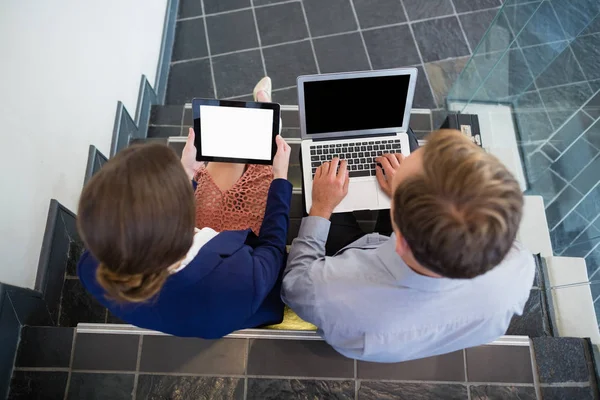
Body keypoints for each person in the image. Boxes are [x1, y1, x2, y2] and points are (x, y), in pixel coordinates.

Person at [282, 129, 535, 362]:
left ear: (399, 240)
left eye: (402, 183)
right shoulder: (517, 269)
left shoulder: (329, 292)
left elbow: (294, 284)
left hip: (348, 254)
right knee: (404, 136)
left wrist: (321, 207)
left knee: (316, 169)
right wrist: (414, 197)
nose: (398, 174)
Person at [77, 77, 293, 338]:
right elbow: (271, 247)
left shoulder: (93, 266)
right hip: (241, 293)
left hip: (200, 288)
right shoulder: (239, 281)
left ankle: (267, 115)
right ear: (180, 221)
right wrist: (281, 179)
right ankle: (268, 116)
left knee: (222, 165)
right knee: (259, 172)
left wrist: (187, 171)